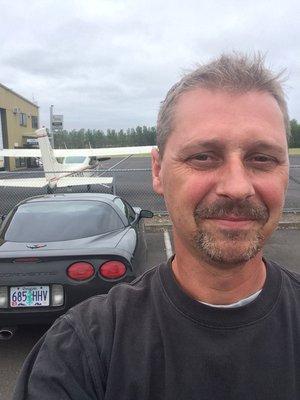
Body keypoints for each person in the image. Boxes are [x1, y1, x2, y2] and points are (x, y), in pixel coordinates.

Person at [14, 53, 299, 400]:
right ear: (157, 171)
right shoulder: (79, 350)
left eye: (262, 158)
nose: (237, 187)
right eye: (203, 157)